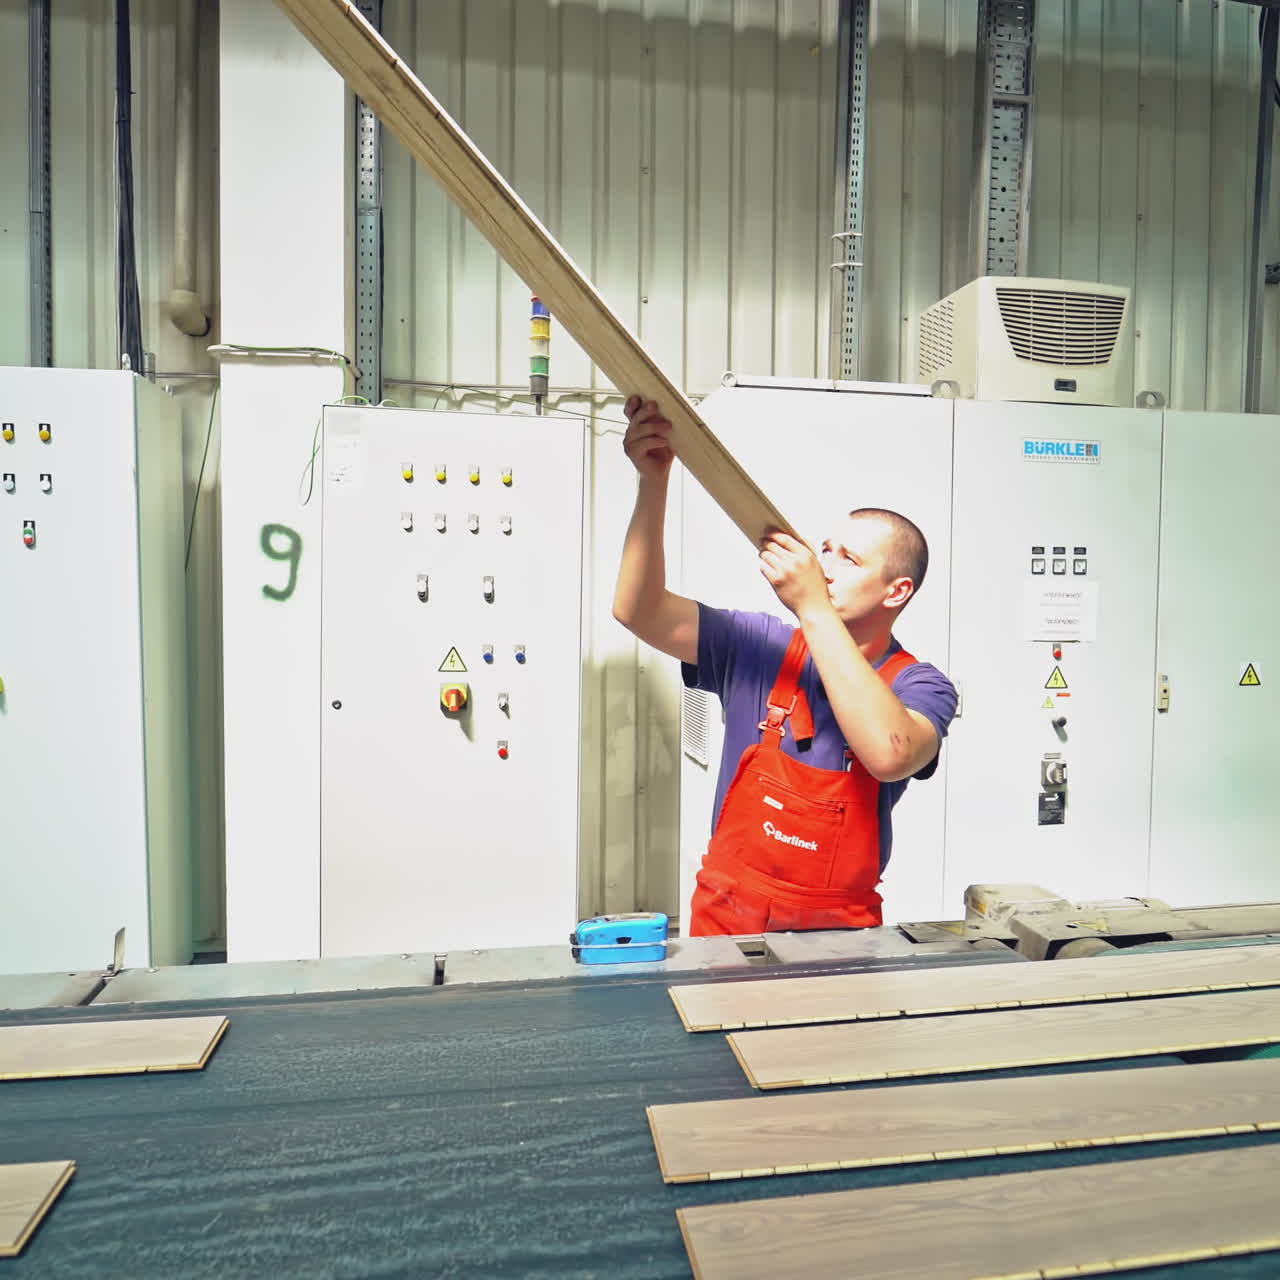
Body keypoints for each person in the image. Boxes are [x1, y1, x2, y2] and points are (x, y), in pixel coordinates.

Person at [612, 396, 958, 936]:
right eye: (826, 548)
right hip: (730, 923)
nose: (825, 564)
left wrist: (813, 606)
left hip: (838, 937)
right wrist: (652, 482)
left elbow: (890, 755)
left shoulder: (921, 686)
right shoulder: (756, 643)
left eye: (850, 558)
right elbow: (638, 609)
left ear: (898, 591)